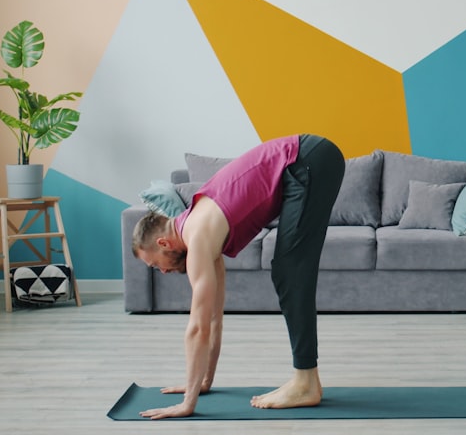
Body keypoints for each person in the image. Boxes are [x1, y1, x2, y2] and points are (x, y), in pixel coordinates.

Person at [131, 133, 345, 420]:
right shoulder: (202, 226)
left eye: (156, 265)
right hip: (310, 159)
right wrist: (204, 383)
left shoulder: (199, 238)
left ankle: (305, 381)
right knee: (288, 269)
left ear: (163, 244)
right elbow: (214, 318)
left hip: (306, 160)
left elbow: (197, 329)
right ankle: (306, 380)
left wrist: (187, 404)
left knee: (290, 269)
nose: (164, 272)